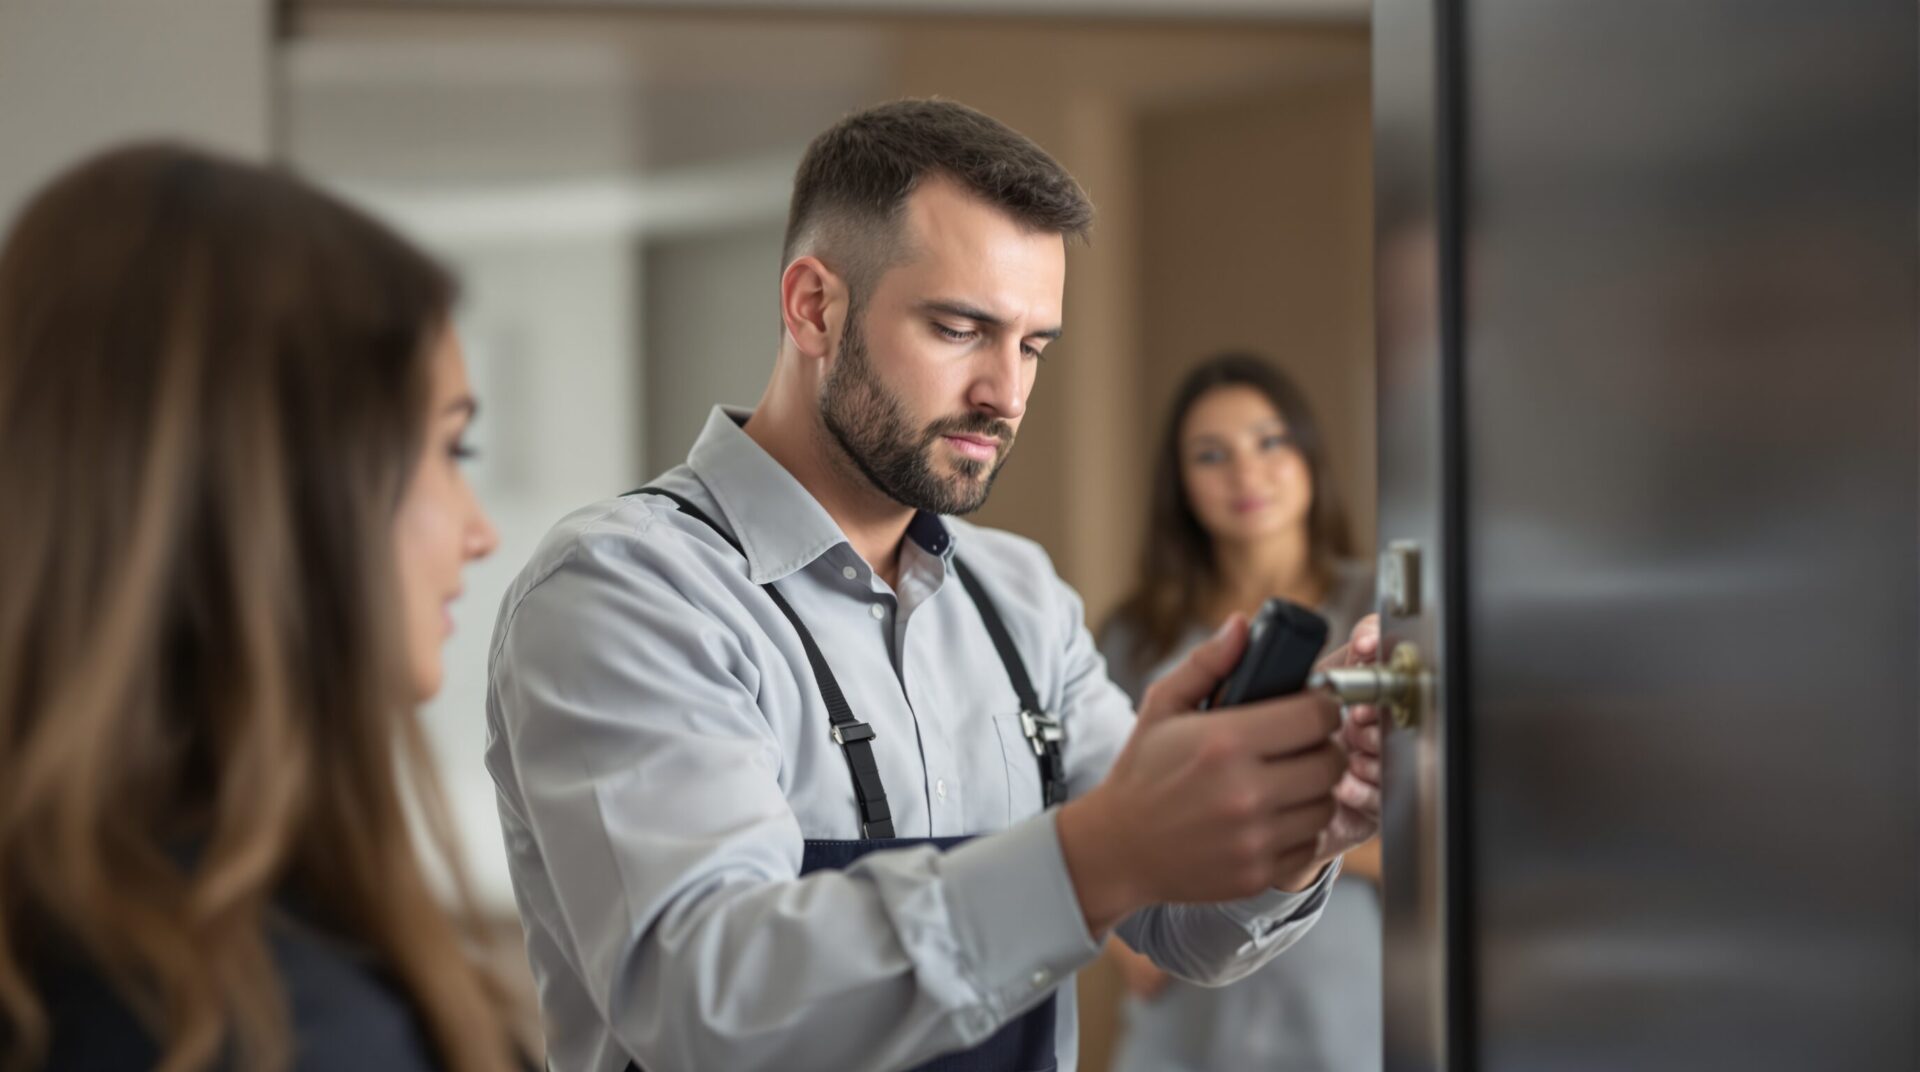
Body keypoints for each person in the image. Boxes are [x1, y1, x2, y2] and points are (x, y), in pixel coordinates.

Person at [485, 98, 1383, 1072]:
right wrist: (1098, 850)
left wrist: (1296, 827)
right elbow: (713, 1003)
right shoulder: (627, 592)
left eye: (1035, 344)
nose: (1007, 392)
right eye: (962, 328)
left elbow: (1181, 926)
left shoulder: (1021, 599)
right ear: (813, 306)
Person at [0, 144, 527, 1071]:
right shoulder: (274, 1026)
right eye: (451, 452)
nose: (478, 531)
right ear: (280, 501)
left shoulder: (68, 949)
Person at [1100, 353, 1381, 1072]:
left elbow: (1437, 821)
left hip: (1343, 986)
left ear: (1309, 452)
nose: (1246, 473)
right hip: (1184, 994)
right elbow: (1093, 799)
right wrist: (1109, 939)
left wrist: (1307, 840)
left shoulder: (1382, 616)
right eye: (1211, 455)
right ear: (1182, 485)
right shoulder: (1137, 635)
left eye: (1269, 441)